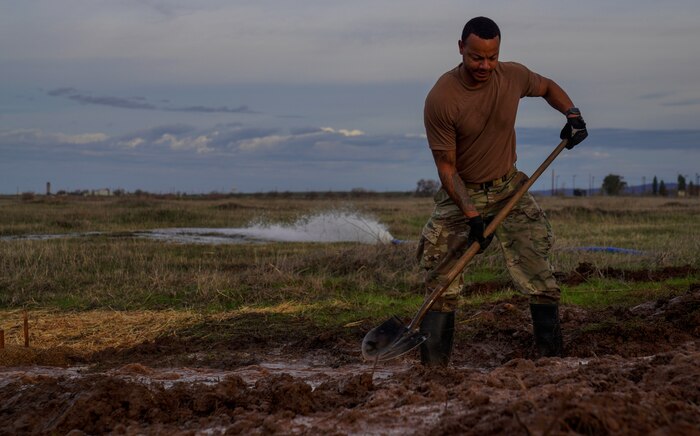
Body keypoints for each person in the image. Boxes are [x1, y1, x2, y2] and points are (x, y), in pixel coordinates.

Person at [417, 16, 587, 366]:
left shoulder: (512, 76)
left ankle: (551, 364)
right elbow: (447, 169)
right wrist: (472, 216)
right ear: (461, 48)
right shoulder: (442, 97)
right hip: (462, 192)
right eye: (476, 57)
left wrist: (572, 114)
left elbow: (548, 86)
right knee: (441, 278)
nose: (485, 66)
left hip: (510, 187)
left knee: (538, 267)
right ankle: (433, 374)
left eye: (492, 57)